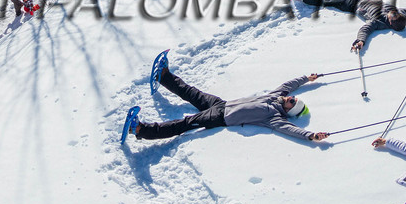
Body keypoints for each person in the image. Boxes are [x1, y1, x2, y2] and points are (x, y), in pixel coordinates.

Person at [125, 58, 330, 144]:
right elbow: (288, 85)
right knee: (193, 93)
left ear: (289, 111)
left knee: (184, 124)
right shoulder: (275, 98)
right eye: (294, 98)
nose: (291, 98)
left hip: (220, 117)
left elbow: (290, 130)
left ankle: (142, 130)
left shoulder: (274, 118)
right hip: (222, 104)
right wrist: (307, 79)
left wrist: (311, 136)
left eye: (293, 102)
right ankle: (164, 76)